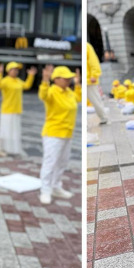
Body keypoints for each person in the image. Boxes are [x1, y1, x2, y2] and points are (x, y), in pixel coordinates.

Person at [37, 64, 80, 205]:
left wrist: (78, 84)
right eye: (65, 78)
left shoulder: (69, 92)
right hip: (53, 133)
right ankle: (45, 190)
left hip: (67, 133)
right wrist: (45, 80)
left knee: (62, 162)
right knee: (50, 162)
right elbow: (42, 95)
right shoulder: (52, 91)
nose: (68, 80)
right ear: (56, 79)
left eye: (69, 78)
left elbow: (78, 99)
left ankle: (56, 187)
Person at [0, 61, 36, 156]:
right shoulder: (5, 80)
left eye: (17, 70)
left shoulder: (18, 81)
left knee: (15, 131)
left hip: (17, 110)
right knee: (5, 131)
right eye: (14, 69)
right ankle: (1, 149)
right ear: (8, 71)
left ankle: (14, 149)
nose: (16, 71)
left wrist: (31, 76)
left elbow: (27, 86)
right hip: (7, 110)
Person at [85, 43, 108, 125]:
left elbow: (93, 60)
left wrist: (94, 74)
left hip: (89, 80)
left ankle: (104, 117)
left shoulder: (86, 46)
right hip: (84, 79)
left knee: (95, 100)